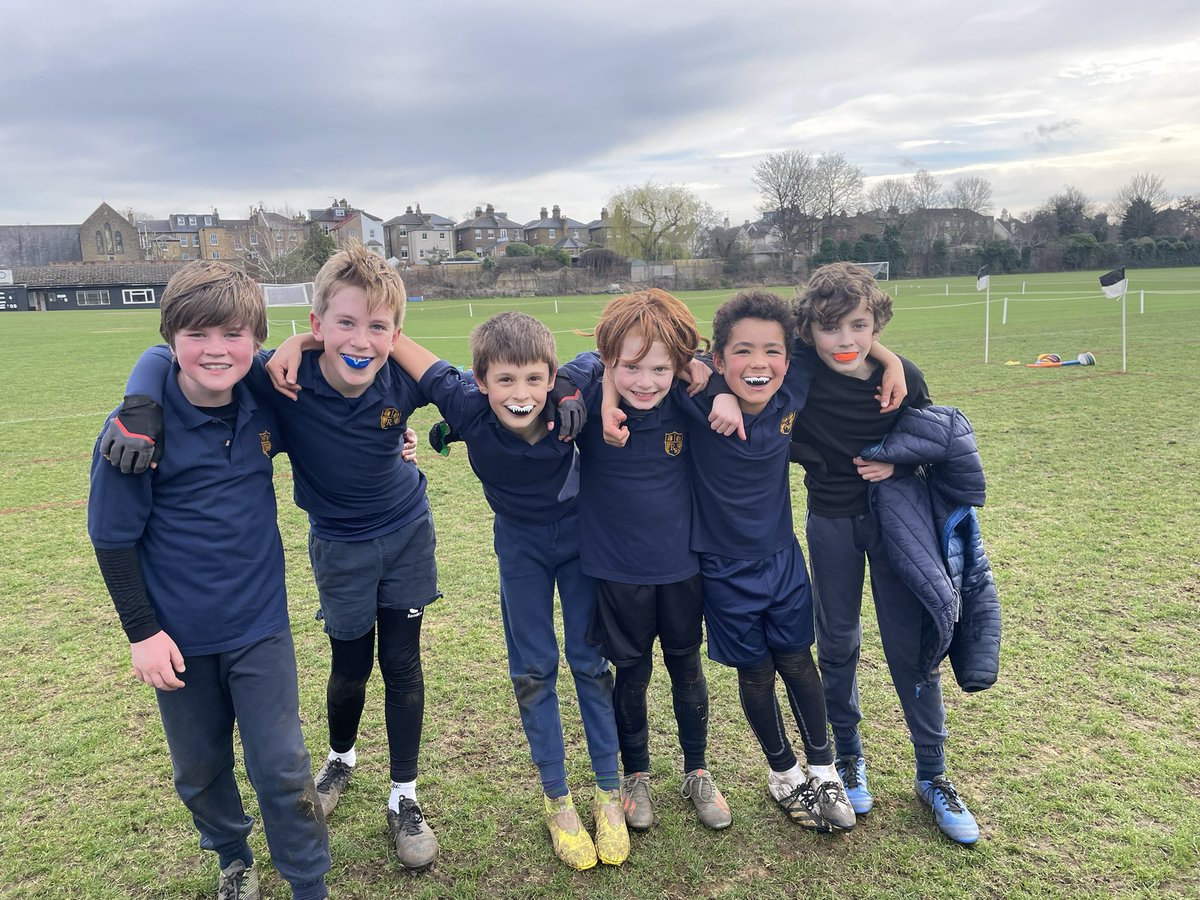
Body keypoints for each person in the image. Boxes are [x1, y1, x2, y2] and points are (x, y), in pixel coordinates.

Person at [97, 244, 441, 871]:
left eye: (376, 326)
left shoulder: (326, 378)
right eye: (342, 324)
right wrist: (141, 403)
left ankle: (404, 795)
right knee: (344, 670)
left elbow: (458, 389)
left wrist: (411, 438)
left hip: (394, 539)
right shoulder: (272, 382)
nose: (215, 346)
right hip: (330, 550)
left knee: (400, 666)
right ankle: (327, 771)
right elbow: (168, 351)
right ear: (314, 327)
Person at [267, 311, 627, 871]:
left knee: (588, 660)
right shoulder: (461, 401)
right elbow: (391, 337)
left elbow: (599, 355)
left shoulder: (568, 397)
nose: (522, 394)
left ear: (551, 377)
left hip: (584, 542)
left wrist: (575, 386)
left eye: (536, 380)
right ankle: (558, 801)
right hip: (520, 547)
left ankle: (609, 792)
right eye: (504, 381)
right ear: (480, 384)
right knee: (533, 670)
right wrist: (302, 337)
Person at [88, 260, 331, 900]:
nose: (216, 350)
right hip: (179, 636)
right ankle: (232, 856)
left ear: (255, 341)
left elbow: (332, 350)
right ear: (171, 339)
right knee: (198, 770)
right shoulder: (135, 431)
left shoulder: (265, 397)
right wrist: (143, 633)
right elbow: (114, 539)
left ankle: (308, 883)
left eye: (232, 335)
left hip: (260, 627)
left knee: (282, 766)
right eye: (197, 335)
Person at [791, 261, 991, 844]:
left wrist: (897, 458)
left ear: (876, 322)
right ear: (809, 332)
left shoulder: (906, 378)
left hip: (897, 525)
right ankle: (848, 761)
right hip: (831, 524)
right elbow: (738, 352)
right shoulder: (798, 366)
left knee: (912, 649)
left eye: (858, 326)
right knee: (837, 644)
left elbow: (938, 447)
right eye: (830, 329)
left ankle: (934, 776)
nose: (845, 341)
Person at [560, 290, 733, 833]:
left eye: (660, 367)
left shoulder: (685, 396)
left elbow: (736, 374)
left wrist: (717, 384)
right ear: (610, 362)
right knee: (631, 676)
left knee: (687, 668)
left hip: (683, 568)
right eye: (631, 367)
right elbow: (570, 371)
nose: (646, 381)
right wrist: (600, 382)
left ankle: (696, 768)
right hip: (616, 570)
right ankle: (636, 775)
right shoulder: (590, 400)